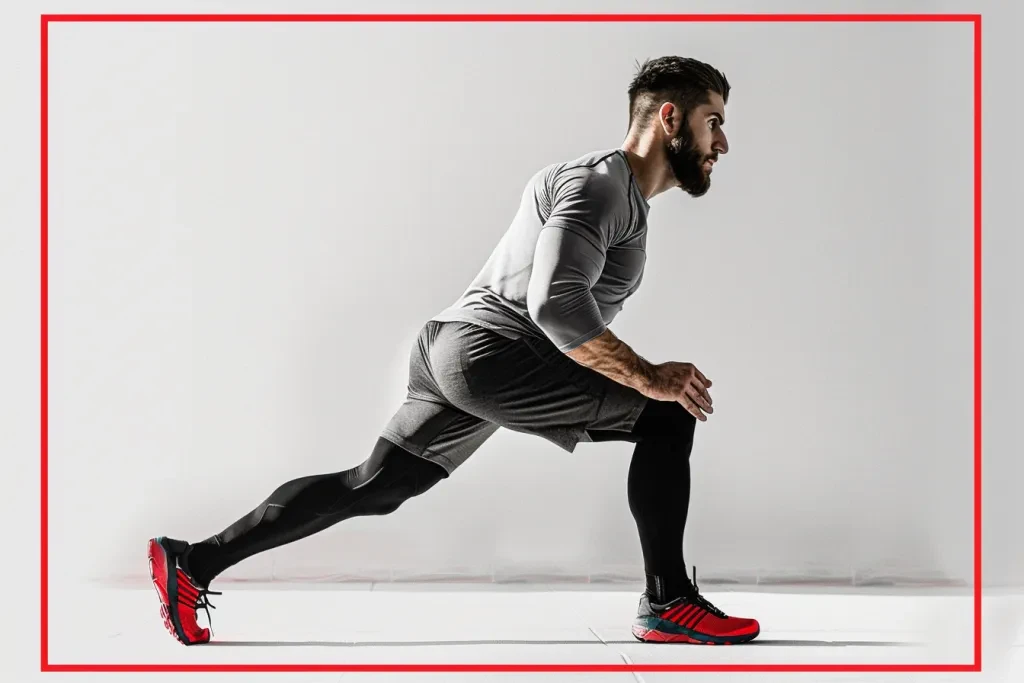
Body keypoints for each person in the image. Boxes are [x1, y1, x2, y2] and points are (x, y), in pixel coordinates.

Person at [147, 55, 760, 647]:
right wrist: (648, 376)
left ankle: (194, 562)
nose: (723, 144)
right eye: (715, 122)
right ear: (671, 119)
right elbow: (553, 304)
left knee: (376, 487)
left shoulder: (608, 191)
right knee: (667, 415)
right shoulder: (602, 186)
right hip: (492, 353)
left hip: (454, 348)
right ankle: (667, 601)